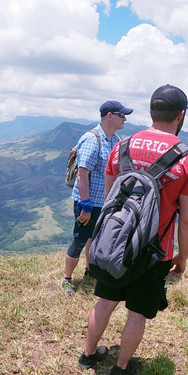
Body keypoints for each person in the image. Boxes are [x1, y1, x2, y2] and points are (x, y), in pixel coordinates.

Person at [78, 85, 188, 375]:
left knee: (105, 301)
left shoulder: (121, 147)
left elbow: (111, 199)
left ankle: (89, 354)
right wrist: (181, 257)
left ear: (150, 112)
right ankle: (121, 368)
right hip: (153, 250)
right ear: (181, 115)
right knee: (137, 312)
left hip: (115, 244)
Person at [62, 101, 133, 296]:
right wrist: (85, 206)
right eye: (121, 115)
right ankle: (67, 279)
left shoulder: (115, 140)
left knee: (95, 240)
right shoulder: (93, 140)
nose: (125, 118)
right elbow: (82, 175)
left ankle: (89, 272)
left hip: (104, 203)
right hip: (88, 203)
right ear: (109, 115)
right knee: (80, 239)